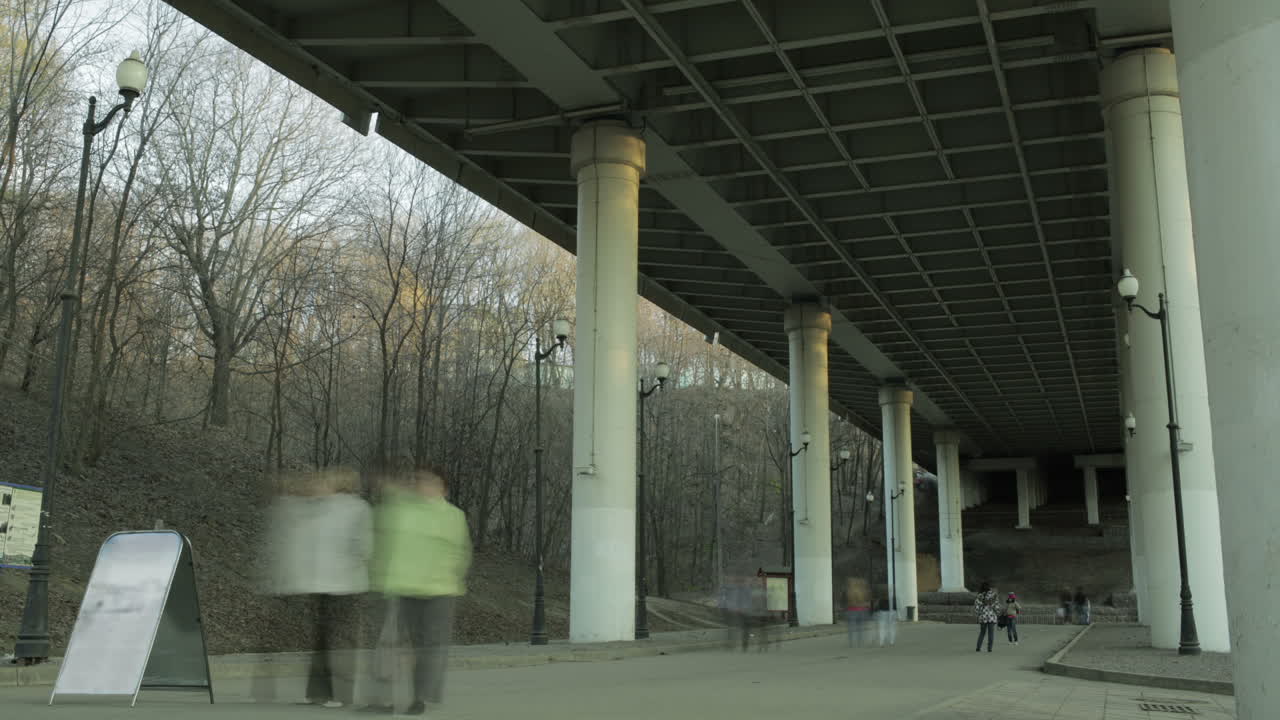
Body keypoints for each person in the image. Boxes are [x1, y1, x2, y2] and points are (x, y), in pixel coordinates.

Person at [262, 468, 372, 708]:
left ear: (339, 484)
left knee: (341, 641)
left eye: (324, 482)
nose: (315, 486)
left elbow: (364, 546)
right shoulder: (318, 507)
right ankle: (318, 693)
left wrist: (349, 563)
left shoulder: (355, 508)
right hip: (322, 584)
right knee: (321, 640)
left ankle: (341, 694)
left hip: (347, 585)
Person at [368, 466, 472, 716]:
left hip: (440, 589)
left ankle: (419, 696)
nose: (424, 486)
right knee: (399, 645)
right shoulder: (403, 509)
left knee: (431, 647)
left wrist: (451, 574)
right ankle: (385, 699)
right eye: (421, 481)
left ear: (443, 488)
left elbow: (461, 551)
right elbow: (385, 538)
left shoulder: (453, 516)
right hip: (405, 587)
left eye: (431, 482)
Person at [844, 578, 871, 648]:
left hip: (851, 611)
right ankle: (859, 642)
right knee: (860, 628)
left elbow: (845, 602)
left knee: (851, 628)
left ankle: (851, 643)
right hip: (861, 610)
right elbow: (867, 601)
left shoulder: (848, 592)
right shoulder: (864, 592)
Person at [974, 581, 1000, 653]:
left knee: (982, 633)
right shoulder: (994, 595)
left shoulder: (979, 596)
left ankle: (978, 648)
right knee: (991, 633)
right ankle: (989, 648)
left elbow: (976, 608)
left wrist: (978, 613)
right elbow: (996, 605)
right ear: (989, 587)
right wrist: (998, 613)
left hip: (983, 617)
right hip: (991, 616)